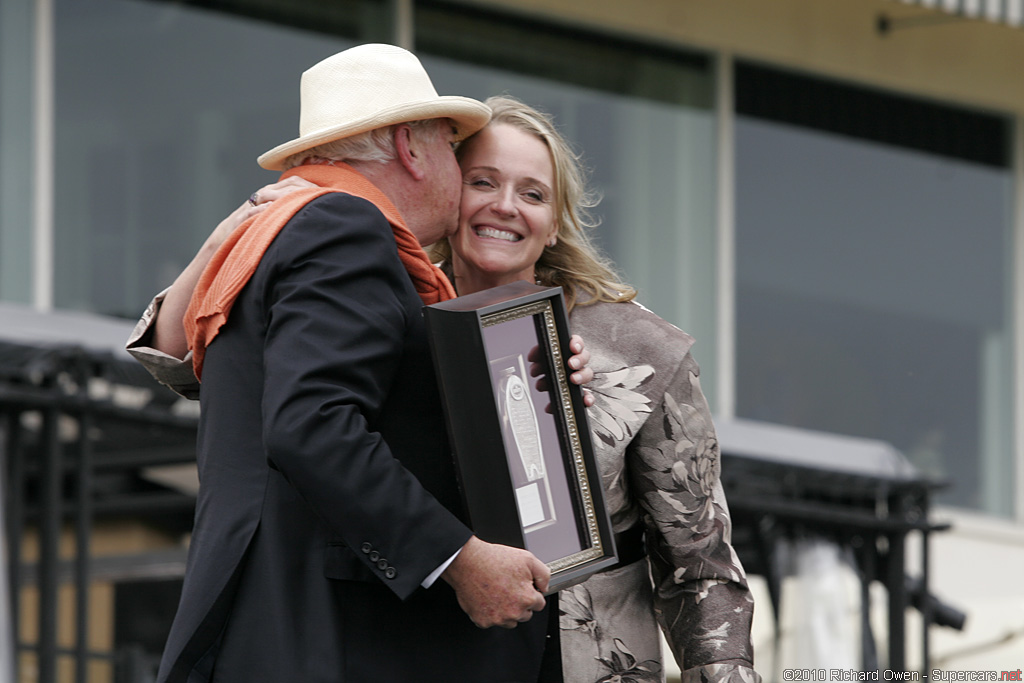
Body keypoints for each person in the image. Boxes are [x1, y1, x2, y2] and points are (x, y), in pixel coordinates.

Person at [134, 93, 761, 683]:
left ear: (555, 222)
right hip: (426, 648)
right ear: (447, 186)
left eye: (533, 193)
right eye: (483, 181)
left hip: (591, 661)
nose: (505, 206)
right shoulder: (389, 299)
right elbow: (226, 384)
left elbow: (699, 560)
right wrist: (230, 234)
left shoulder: (643, 349)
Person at [126, 44, 591, 683]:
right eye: (455, 149)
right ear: (410, 146)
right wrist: (458, 559)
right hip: (326, 640)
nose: (461, 176)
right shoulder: (347, 227)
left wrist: (536, 390)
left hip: (275, 631)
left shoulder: (288, 230)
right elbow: (313, 424)